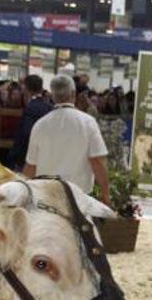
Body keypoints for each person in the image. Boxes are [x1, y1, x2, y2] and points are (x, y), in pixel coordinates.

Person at [23, 75, 111, 206]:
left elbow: (31, 167)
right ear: (73, 94)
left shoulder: (40, 125)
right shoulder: (88, 123)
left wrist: (23, 193)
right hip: (77, 200)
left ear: (52, 96)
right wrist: (105, 195)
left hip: (46, 199)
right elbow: (97, 161)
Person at [9, 74, 54, 171]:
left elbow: (27, 132)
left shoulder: (30, 107)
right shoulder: (49, 107)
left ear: (26, 88)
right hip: (45, 154)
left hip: (26, 155)